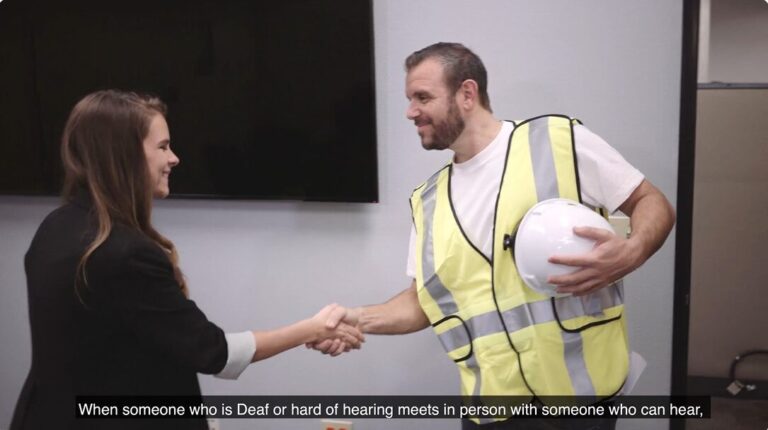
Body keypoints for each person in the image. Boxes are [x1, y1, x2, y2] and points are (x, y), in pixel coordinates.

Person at [310, 42, 676, 429]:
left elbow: (651, 201)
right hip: (490, 411)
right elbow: (424, 303)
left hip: (579, 403)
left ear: (467, 94)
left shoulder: (555, 141)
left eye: (422, 97)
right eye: (409, 98)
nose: (410, 111)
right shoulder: (427, 201)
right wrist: (356, 319)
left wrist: (632, 251)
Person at [10, 90, 363, 430]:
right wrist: (311, 328)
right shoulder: (126, 254)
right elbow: (213, 352)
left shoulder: (55, 228)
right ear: (125, 156)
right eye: (162, 147)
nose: (174, 158)